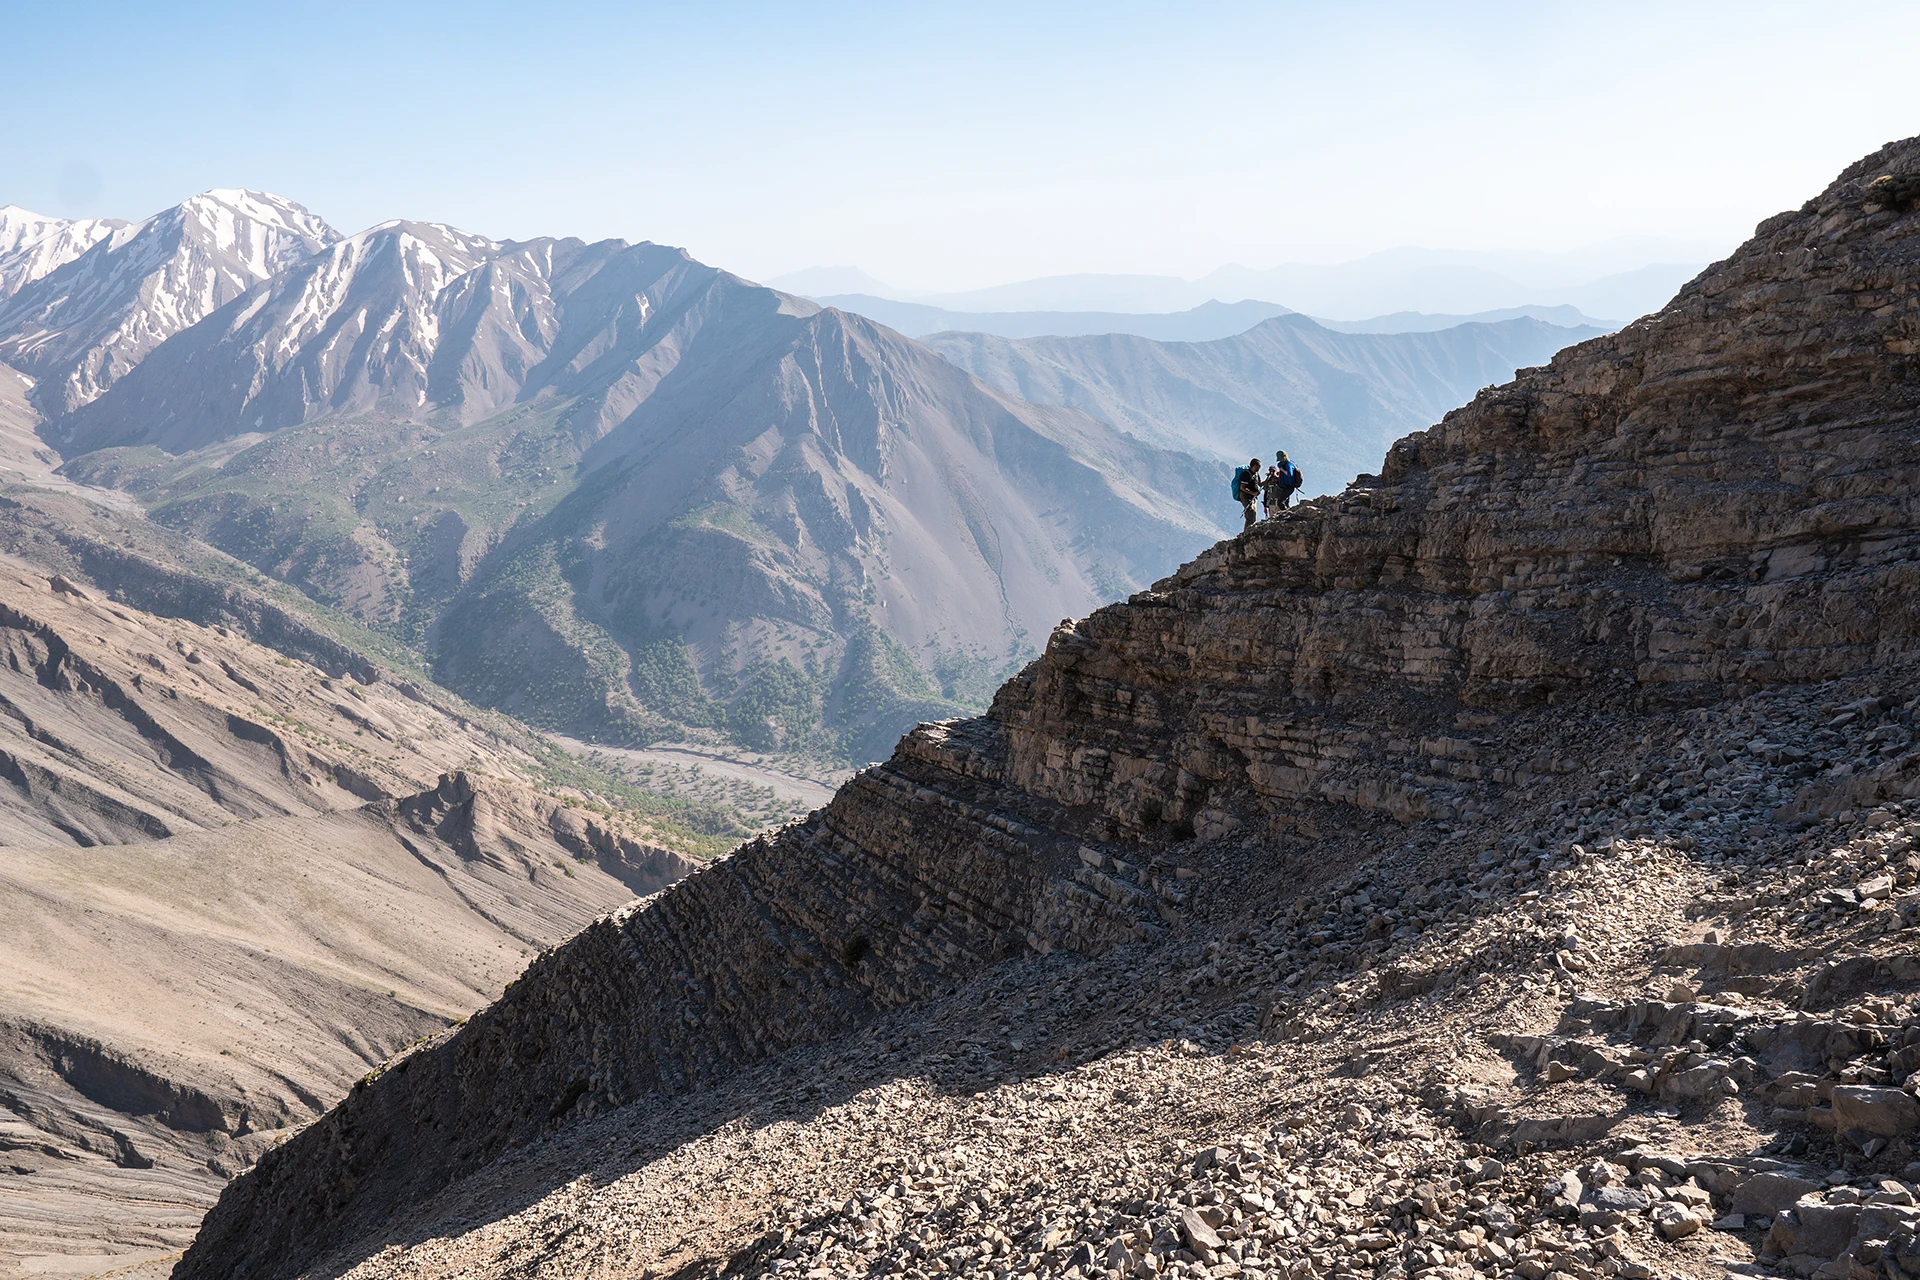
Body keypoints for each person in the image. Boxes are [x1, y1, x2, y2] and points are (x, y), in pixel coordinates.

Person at [1232, 456, 1261, 530]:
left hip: (1253, 497)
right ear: (1254, 465)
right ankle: (1246, 534)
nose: (1259, 468)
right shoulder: (1246, 474)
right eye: (1258, 466)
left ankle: (1250, 531)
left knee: (1253, 515)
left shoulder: (1256, 474)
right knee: (1250, 514)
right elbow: (1242, 487)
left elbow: (1260, 483)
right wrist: (1253, 493)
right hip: (1245, 496)